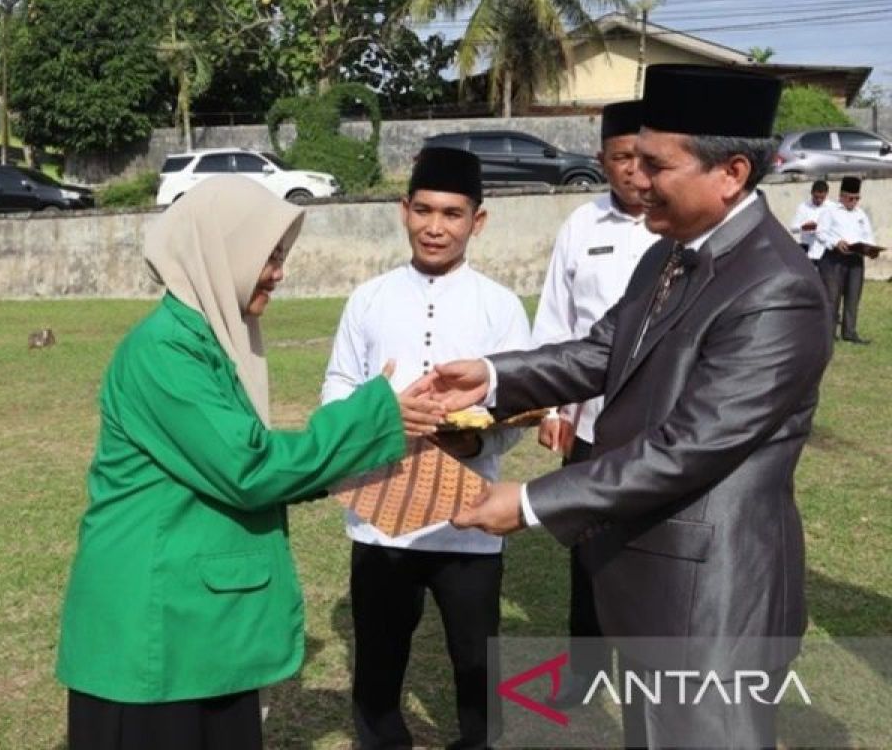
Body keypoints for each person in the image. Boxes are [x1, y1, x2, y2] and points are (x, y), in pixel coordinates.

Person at [424, 64, 833, 748]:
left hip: (715, 606)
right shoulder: (670, 253)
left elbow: (687, 448)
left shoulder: (776, 290)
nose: (634, 179)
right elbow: (599, 352)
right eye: (631, 160)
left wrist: (529, 503)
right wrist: (491, 378)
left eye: (654, 164)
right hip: (652, 587)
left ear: (731, 173)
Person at [56, 176, 439, 750]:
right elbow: (248, 468)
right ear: (220, 253)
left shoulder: (206, 343)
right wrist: (372, 418)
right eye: (268, 257)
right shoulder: (164, 352)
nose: (278, 273)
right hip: (155, 635)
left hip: (193, 629)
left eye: (280, 257)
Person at [321, 147, 530, 750]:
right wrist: (381, 417)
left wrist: (476, 434)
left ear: (477, 221)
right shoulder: (369, 297)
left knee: (477, 661)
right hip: (381, 516)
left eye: (453, 213)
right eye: (424, 210)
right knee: (379, 664)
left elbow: (520, 401)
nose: (436, 227)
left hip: (469, 519)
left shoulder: (500, 305)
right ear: (403, 211)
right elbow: (336, 387)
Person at [530, 99, 658, 709]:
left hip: (662, 429)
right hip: (590, 423)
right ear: (601, 159)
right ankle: (585, 670)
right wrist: (551, 409)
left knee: (655, 549)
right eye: (619, 159)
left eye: (644, 157)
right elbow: (556, 321)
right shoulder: (581, 227)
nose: (634, 172)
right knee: (586, 552)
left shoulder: (680, 226)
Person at [817, 176, 880, 344]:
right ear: (842, 196)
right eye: (851, 198)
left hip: (855, 259)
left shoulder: (861, 214)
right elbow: (821, 233)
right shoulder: (829, 211)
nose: (854, 202)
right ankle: (828, 333)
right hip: (834, 258)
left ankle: (850, 332)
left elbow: (868, 236)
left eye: (857, 198)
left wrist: (871, 249)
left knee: (853, 296)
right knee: (832, 297)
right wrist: (835, 242)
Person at [787, 179, 830, 263]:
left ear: (826, 194)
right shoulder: (803, 207)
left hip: (824, 250)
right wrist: (804, 226)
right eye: (816, 197)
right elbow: (793, 227)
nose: (819, 200)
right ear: (812, 193)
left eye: (822, 198)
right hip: (807, 249)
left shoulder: (832, 207)